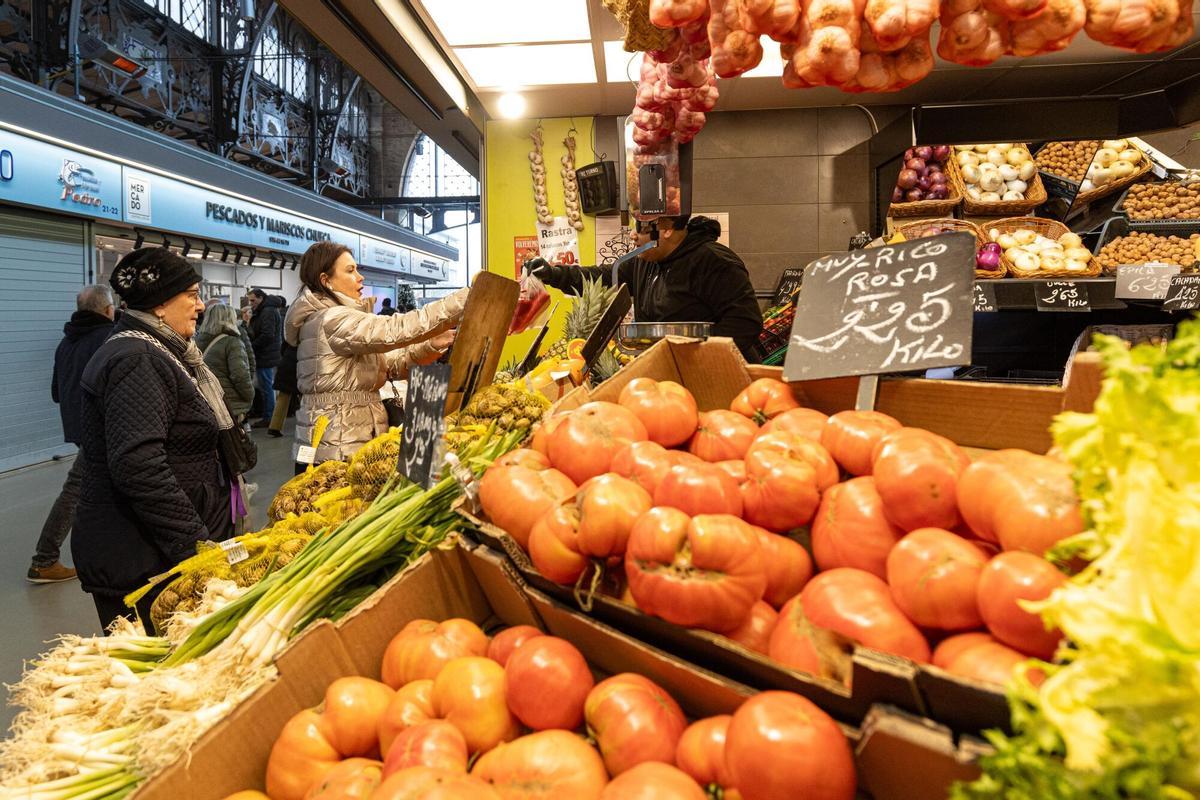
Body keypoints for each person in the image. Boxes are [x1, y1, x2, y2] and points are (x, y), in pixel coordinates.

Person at [73, 248, 236, 629]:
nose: (200, 305)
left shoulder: (160, 350)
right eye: (193, 294)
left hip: (154, 548)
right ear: (161, 304)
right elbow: (138, 464)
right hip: (143, 556)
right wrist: (196, 546)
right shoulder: (138, 358)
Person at [285, 241, 465, 468]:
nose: (360, 277)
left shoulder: (335, 320)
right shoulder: (331, 319)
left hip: (347, 439)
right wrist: (465, 298)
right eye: (350, 271)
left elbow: (389, 366)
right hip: (337, 449)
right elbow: (396, 330)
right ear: (326, 281)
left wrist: (431, 344)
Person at [527, 215, 766, 362]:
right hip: (669, 375)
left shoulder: (714, 261)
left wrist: (694, 354)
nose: (632, 235)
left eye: (640, 228)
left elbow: (745, 324)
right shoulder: (644, 262)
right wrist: (553, 274)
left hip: (719, 377)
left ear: (666, 227)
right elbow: (600, 277)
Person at [28, 285, 116, 584]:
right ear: (108, 310)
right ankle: (44, 559)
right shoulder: (109, 338)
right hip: (102, 427)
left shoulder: (66, 343)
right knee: (76, 490)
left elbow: (56, 392)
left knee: (99, 489)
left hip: (77, 425)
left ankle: (104, 551)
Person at [195, 303, 255, 422]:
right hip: (229, 402)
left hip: (204, 400)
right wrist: (249, 396)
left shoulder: (196, 341)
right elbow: (240, 375)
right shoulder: (232, 342)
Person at [246, 288, 284, 429]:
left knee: (267, 388)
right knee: (267, 388)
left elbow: (267, 335)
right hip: (268, 354)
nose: (251, 303)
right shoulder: (266, 310)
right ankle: (270, 417)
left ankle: (269, 418)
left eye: (253, 300)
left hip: (265, 355)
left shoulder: (267, 311)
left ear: (261, 298)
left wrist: (252, 345)